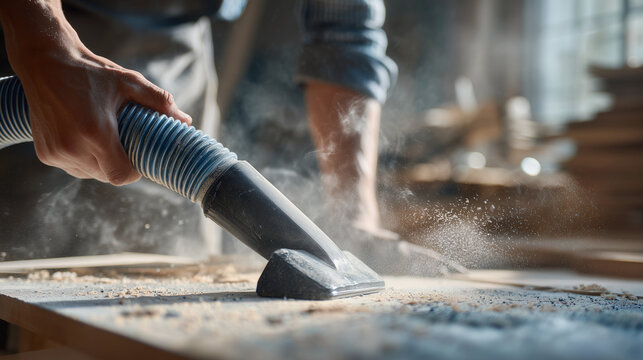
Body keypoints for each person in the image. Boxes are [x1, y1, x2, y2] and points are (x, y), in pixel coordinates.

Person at [0, 0, 402, 264]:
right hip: (38, 42)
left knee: (158, 290)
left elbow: (344, 32)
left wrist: (353, 217)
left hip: (176, 74)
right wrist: (45, 48)